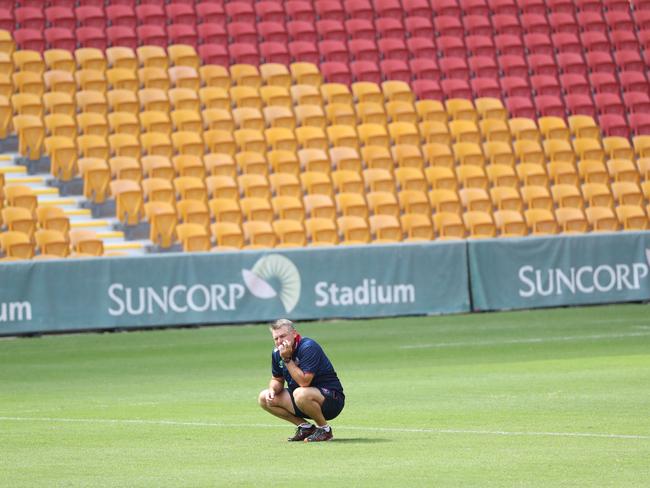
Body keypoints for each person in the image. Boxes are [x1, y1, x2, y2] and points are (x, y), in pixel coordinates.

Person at [258, 318, 345, 442]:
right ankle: (306, 428)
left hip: (331, 399)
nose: (279, 341)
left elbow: (304, 382)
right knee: (264, 397)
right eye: (276, 338)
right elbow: (277, 379)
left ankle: (324, 430)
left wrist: (287, 360)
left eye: (283, 336)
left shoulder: (308, 347)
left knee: (300, 393)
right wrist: (273, 389)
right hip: (302, 400)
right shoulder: (277, 353)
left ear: (294, 333)